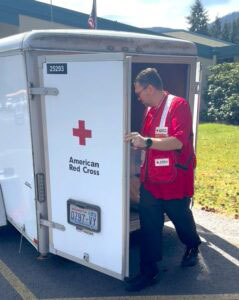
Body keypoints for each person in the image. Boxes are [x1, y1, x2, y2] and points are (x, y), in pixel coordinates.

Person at [125, 68, 201, 292]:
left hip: (175, 181)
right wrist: (136, 171)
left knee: (181, 220)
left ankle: (192, 245)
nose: (138, 97)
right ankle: (149, 271)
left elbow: (178, 141)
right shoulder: (149, 110)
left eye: (139, 92)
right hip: (152, 182)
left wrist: (146, 141)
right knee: (149, 226)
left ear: (150, 88)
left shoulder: (179, 106)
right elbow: (147, 146)